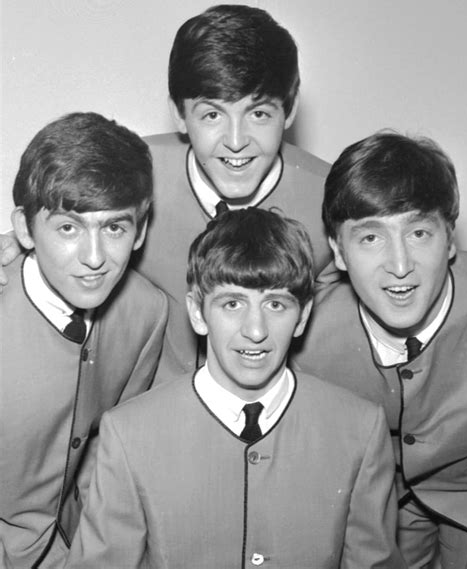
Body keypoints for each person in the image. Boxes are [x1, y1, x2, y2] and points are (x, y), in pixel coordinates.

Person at [0, 4, 335, 376]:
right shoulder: (131, 173)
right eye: (212, 114)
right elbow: (55, 219)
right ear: (178, 113)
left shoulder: (332, 199)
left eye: (259, 114)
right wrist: (11, 245)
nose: (236, 141)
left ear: (290, 109)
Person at [65, 207, 405, 569]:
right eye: (232, 303)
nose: (255, 330)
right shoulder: (129, 433)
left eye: (276, 304)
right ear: (198, 312)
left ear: (303, 316)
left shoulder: (360, 429)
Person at [292, 131, 467, 568]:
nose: (400, 265)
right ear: (338, 252)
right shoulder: (302, 330)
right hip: (376, 507)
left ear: (450, 239)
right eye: (371, 238)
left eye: (419, 233)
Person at [0, 112, 168, 569]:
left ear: (140, 230)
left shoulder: (146, 311)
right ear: (24, 229)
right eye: (68, 228)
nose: (95, 258)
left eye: (114, 228)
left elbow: (109, 455)